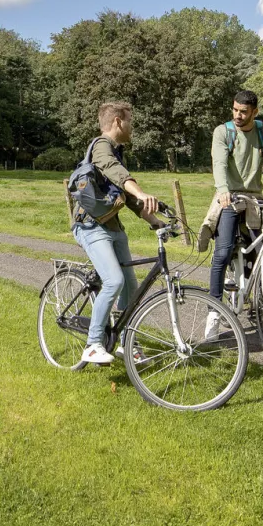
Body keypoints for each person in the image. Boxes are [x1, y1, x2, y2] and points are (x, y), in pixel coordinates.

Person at [201, 90, 263, 338]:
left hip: (255, 198)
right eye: (235, 110)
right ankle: (214, 312)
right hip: (229, 197)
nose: (238, 115)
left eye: (243, 111)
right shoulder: (222, 132)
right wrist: (223, 191)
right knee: (223, 251)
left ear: (255, 112)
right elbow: (220, 164)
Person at [72, 101, 164, 367]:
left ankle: (127, 345)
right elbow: (117, 173)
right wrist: (141, 190)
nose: (132, 127)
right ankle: (92, 345)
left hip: (112, 227)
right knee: (113, 281)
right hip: (90, 226)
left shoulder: (118, 151)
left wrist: (155, 220)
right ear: (117, 122)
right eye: (130, 121)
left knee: (130, 289)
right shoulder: (102, 147)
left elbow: (128, 199)